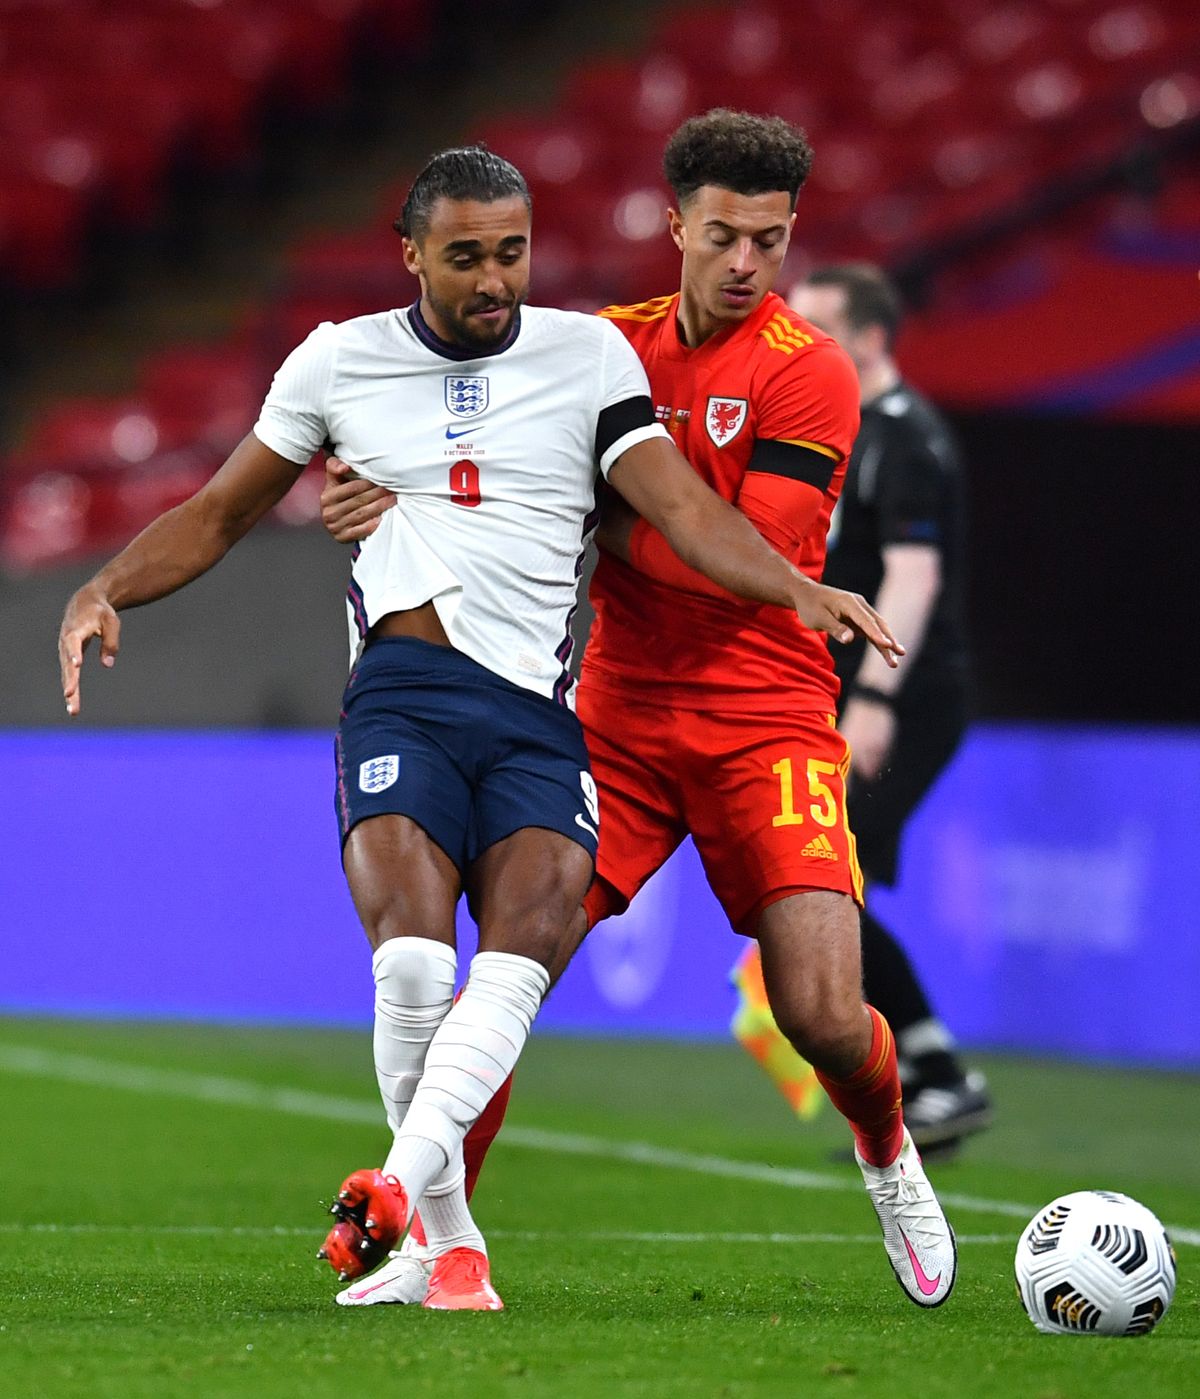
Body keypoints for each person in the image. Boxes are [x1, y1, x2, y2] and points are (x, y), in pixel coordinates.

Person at [57, 145, 901, 1314]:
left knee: (555, 968)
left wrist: (791, 585)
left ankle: (419, 1215)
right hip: (409, 697)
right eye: (465, 258)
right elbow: (220, 509)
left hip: (556, 720)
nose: (494, 279)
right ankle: (441, 1237)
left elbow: (681, 510)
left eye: (511, 252)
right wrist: (106, 587)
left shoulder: (585, 354)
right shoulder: (339, 360)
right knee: (412, 961)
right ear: (412, 254)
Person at [320, 111, 959, 1312]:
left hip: (767, 712)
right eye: (723, 236)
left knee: (823, 1011)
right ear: (676, 226)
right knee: (511, 968)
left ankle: (888, 1146)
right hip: (613, 712)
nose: (746, 264)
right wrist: (377, 490)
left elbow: (742, 555)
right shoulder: (599, 350)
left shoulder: (808, 367)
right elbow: (456, 448)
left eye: (769, 241)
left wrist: (586, 518)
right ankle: (441, 1241)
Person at [740, 264, 991, 1153]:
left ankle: (939, 1072)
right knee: (828, 884)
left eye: (817, 329)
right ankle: (926, 1082)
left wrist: (878, 696)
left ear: (873, 337)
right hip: (845, 694)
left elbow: (913, 577)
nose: (799, 346)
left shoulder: (906, 437)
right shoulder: (838, 428)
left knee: (824, 880)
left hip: (906, 697)